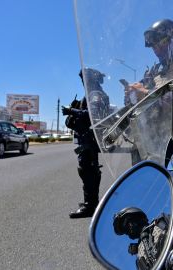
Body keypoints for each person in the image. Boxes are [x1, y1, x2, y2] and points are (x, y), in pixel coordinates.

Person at [124, 19, 173, 166]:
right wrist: (131, 93)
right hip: (151, 141)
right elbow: (135, 103)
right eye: (153, 46)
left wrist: (146, 93)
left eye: (161, 43)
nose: (156, 50)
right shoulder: (154, 71)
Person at [62, 68, 109, 218]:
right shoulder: (92, 93)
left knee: (88, 171)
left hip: (90, 140)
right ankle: (91, 202)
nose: (83, 82)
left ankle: (91, 206)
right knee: (87, 171)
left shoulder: (95, 94)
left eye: (85, 79)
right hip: (87, 140)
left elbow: (92, 115)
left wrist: (72, 111)